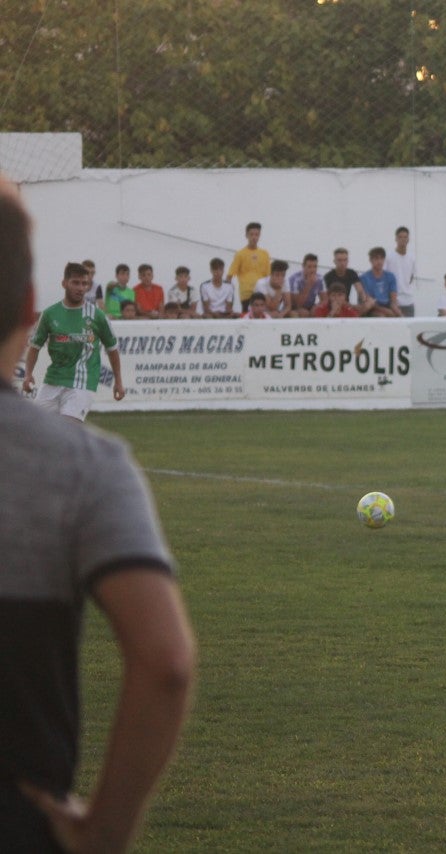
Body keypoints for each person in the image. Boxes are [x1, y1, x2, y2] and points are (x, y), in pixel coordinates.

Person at [0, 178, 196, 853]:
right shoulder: (88, 469)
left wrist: (116, 377)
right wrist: (105, 831)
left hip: (75, 390)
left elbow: (111, 350)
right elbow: (166, 661)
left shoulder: (92, 323)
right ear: (33, 301)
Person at [22, 261, 127, 420]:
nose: (80, 288)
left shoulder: (97, 316)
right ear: (64, 283)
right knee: (36, 427)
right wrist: (28, 374)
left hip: (82, 383)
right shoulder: (50, 314)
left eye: (84, 284)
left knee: (68, 427)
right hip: (53, 379)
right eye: (76, 283)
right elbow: (34, 347)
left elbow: (112, 349)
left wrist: (118, 381)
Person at [227, 221, 271, 314]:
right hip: (247, 294)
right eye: (251, 234)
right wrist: (228, 297)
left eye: (256, 234)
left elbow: (269, 276)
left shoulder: (265, 254)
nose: (254, 237)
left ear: (259, 236)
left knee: (263, 318)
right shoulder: (240, 254)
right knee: (247, 318)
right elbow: (230, 275)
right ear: (246, 235)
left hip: (262, 294)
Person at [358, 247, 401, 317]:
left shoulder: (390, 276)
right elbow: (369, 302)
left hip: (388, 307)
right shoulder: (364, 278)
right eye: (376, 258)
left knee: (399, 314)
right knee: (381, 316)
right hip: (372, 309)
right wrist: (387, 311)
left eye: (382, 258)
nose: (379, 261)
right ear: (370, 260)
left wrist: (399, 315)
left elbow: (393, 300)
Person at [324, 248, 369, 314]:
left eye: (345, 260)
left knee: (368, 304)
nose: (342, 263)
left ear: (348, 261)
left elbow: (360, 290)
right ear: (334, 261)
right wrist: (353, 306)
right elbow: (331, 297)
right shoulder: (329, 276)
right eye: (339, 260)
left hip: (347, 305)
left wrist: (365, 301)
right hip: (334, 304)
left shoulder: (352, 273)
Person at [385, 226, 417, 317]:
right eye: (400, 237)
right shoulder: (389, 256)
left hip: (408, 302)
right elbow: (384, 277)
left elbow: (411, 278)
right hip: (393, 303)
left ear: (408, 239)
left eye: (405, 237)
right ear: (396, 239)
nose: (403, 239)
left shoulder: (412, 257)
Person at [287, 253, 327, 317]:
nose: (312, 270)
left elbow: (324, 300)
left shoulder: (320, 279)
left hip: (310, 306)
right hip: (293, 308)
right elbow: (297, 304)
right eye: (309, 267)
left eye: (315, 267)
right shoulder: (295, 279)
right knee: (304, 313)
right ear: (303, 266)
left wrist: (317, 306)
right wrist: (309, 285)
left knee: (317, 311)